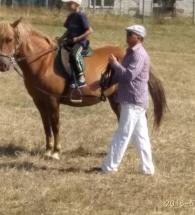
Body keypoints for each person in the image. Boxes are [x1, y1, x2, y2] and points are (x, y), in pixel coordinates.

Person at [100, 25, 155, 175]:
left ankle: (110, 167)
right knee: (141, 137)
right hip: (133, 100)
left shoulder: (139, 55)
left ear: (139, 38)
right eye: (127, 33)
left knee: (122, 134)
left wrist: (115, 64)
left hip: (133, 100)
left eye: (130, 34)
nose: (127, 35)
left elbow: (128, 76)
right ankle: (147, 168)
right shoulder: (131, 53)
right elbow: (121, 75)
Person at [60, 0, 93, 88]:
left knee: (74, 54)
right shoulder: (70, 16)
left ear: (76, 4)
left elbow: (89, 30)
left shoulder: (81, 16)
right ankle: (70, 76)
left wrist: (77, 38)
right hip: (70, 41)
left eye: (70, 3)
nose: (67, 5)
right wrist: (61, 38)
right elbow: (68, 30)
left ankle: (81, 78)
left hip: (80, 42)